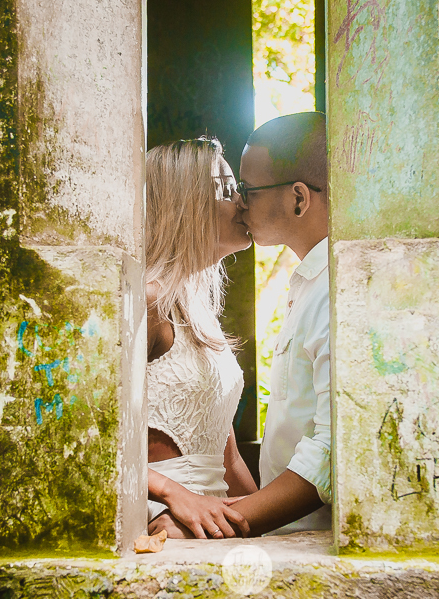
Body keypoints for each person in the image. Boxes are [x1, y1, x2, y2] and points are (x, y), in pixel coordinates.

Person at [143, 137, 258, 539]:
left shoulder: (200, 313)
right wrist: (173, 495)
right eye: (226, 190)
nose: (242, 203)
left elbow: (228, 459)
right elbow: (92, 435)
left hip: (213, 520)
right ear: (184, 203)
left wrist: (260, 527)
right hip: (163, 516)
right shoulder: (147, 301)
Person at [227, 112, 331, 535]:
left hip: (315, 542)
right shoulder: (308, 283)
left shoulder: (334, 291)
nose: (238, 203)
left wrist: (227, 520)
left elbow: (329, 451)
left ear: (298, 199)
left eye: (247, 190)